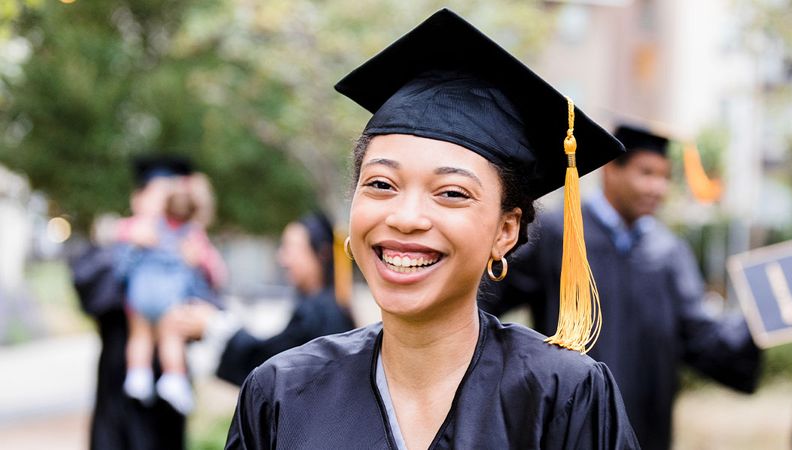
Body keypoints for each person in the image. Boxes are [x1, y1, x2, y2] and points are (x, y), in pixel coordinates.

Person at [226, 9, 638, 449]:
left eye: (451, 192)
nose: (405, 217)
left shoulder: (562, 394)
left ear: (505, 230)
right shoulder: (281, 394)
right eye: (381, 185)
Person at [481, 124, 761, 450]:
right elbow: (487, 300)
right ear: (611, 171)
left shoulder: (669, 253)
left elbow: (702, 337)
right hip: (567, 418)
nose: (657, 187)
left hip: (645, 427)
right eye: (646, 173)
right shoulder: (560, 235)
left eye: (664, 177)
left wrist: (763, 318)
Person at [70, 155, 194, 450]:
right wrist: (128, 250)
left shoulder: (186, 245)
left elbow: (206, 303)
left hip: (168, 377)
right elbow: (89, 289)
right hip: (118, 379)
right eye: (157, 196)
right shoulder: (112, 248)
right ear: (137, 199)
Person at [165, 211, 356, 386]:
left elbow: (270, 365)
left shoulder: (321, 315)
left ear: (321, 253)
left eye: (290, 248)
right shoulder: (322, 308)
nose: (282, 258)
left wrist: (213, 324)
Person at [117, 185, 221, 414]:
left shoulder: (149, 227)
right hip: (169, 297)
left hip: (140, 293)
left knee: (139, 336)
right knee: (170, 338)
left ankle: (137, 376)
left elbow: (120, 236)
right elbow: (214, 271)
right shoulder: (191, 234)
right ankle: (173, 378)